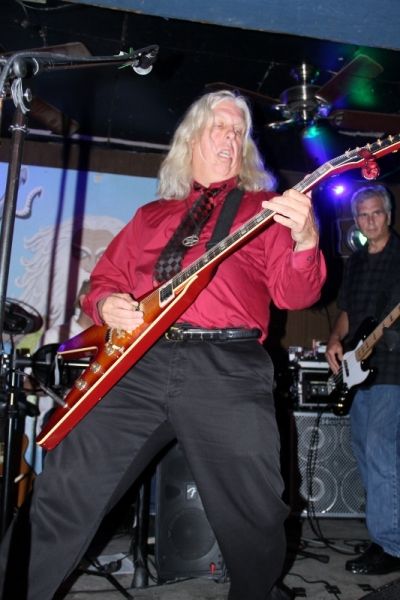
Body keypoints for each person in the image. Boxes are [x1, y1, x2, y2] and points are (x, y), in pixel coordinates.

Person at [0, 90, 326, 600]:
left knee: (256, 512)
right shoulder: (150, 216)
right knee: (66, 485)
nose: (231, 136)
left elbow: (295, 294)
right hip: (137, 364)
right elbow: (102, 282)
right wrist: (105, 304)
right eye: (220, 126)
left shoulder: (265, 211)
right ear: (192, 138)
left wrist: (306, 239)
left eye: (239, 130)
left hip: (227, 364)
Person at [325, 184, 400, 575]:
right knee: (366, 454)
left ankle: (393, 546)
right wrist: (335, 339)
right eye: (363, 215)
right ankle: (382, 536)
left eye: (376, 213)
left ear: (389, 214)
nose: (370, 221)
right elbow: (348, 312)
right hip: (358, 372)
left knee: (381, 451)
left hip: (394, 369)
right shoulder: (354, 262)